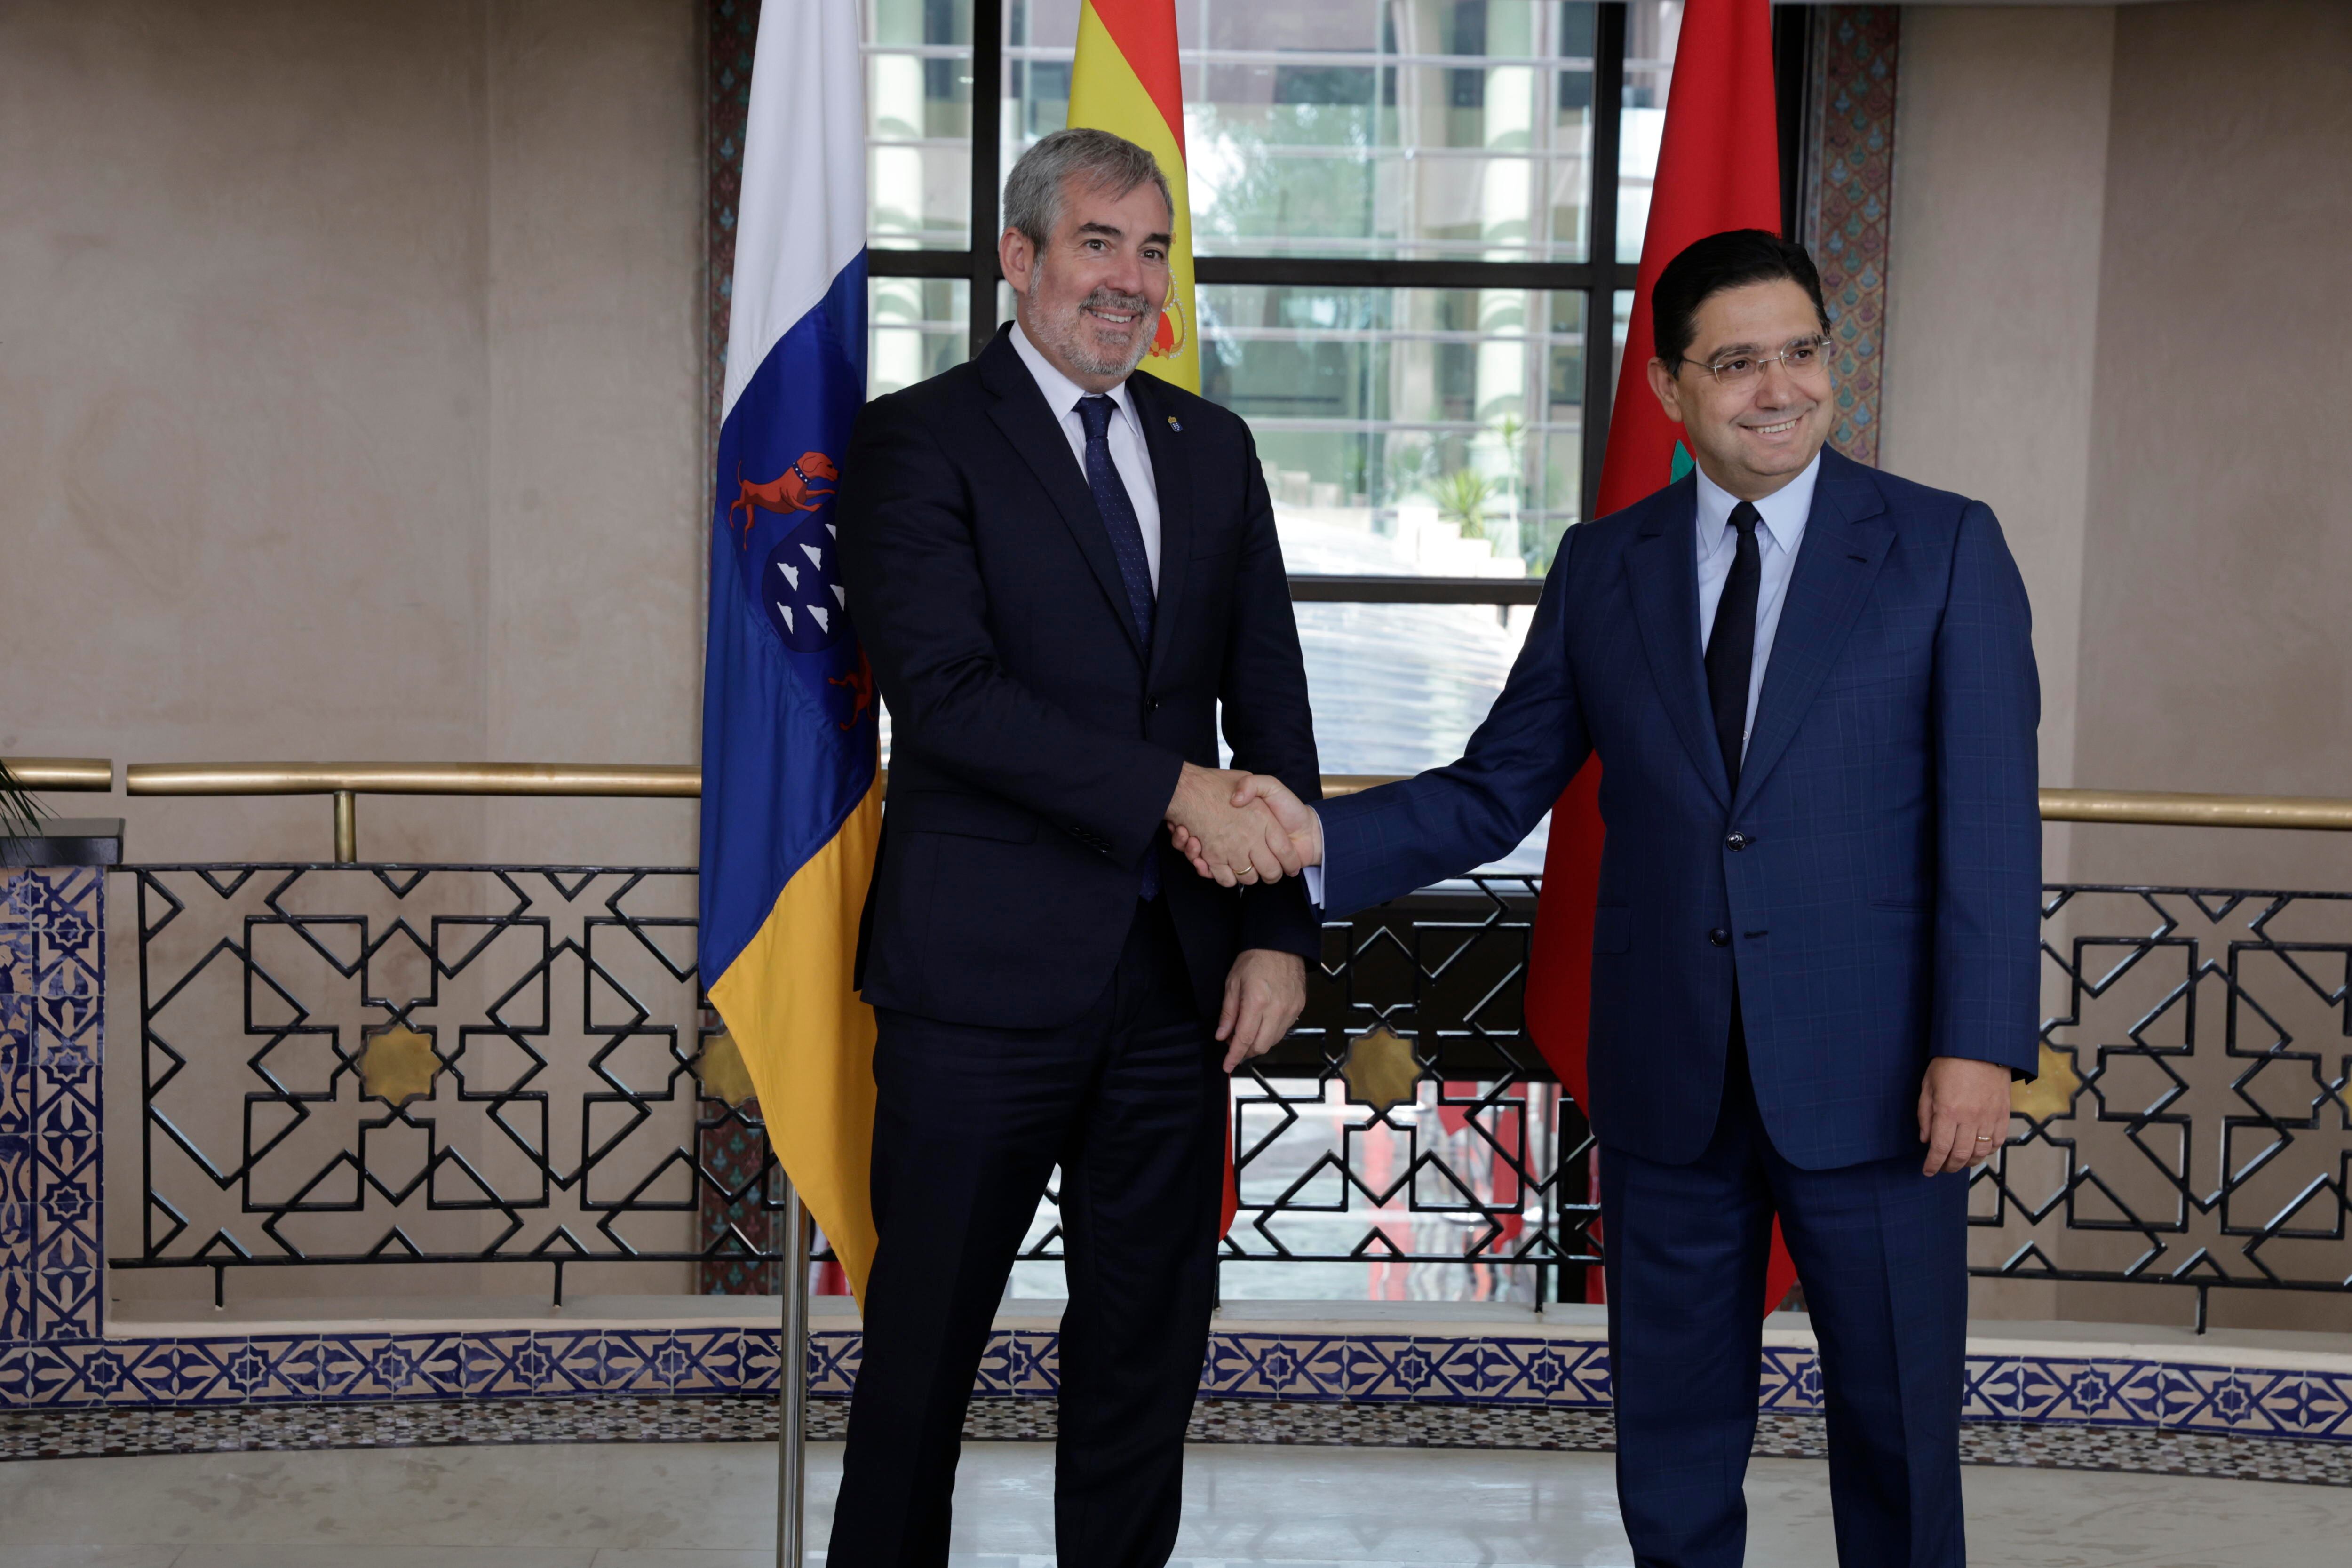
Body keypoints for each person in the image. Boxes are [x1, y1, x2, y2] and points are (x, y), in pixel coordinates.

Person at [1171, 230, 2041, 1568]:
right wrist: (1307, 845)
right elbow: (1495, 785)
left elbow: (1989, 818)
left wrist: (1977, 1044)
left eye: (1801, 353)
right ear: (1669, 390)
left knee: (1900, 1428)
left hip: (1878, 1079)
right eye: (1737, 362)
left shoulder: (1942, 548)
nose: (1779, 388)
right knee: (1675, 1433)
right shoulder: (1606, 565)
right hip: (1667, 1075)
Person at [828, 127, 1319, 1568]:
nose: (1130, 280)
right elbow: (952, 699)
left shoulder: (1212, 448)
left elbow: (1274, 704)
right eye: (1100, 243)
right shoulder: (919, 439)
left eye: (1153, 248)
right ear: (1020, 258)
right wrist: (1176, 788)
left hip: (1178, 985)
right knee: (922, 1358)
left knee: (1144, 1355)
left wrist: (1284, 935)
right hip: (976, 987)